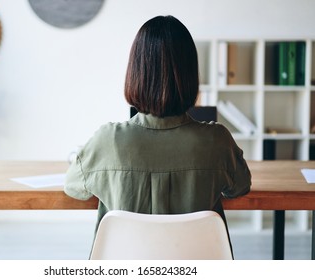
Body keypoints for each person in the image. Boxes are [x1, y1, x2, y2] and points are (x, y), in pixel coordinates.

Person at [64, 15, 251, 255]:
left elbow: (73, 186)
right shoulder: (217, 140)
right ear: (190, 75)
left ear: (136, 73)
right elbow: (240, 186)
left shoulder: (108, 140)